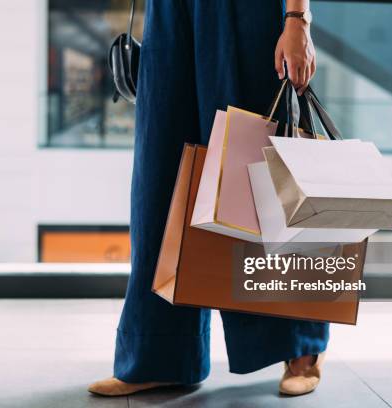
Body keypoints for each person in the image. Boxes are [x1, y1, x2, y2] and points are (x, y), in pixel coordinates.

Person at [90, 0, 324, 397]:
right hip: (170, 12)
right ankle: (161, 355)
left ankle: (300, 348)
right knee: (161, 176)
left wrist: (297, 17)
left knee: (260, 169)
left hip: (250, 13)